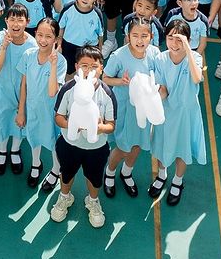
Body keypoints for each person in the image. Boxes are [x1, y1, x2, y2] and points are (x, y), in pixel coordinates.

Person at [50, 44, 117, 228]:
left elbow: (111, 125)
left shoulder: (107, 94)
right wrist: (72, 125)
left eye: (94, 66)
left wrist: (98, 128)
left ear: (101, 69)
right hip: (69, 144)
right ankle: (65, 197)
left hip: (96, 148)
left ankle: (93, 201)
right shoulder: (69, 89)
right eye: (84, 65)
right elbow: (58, 117)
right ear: (77, 68)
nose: (89, 70)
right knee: (66, 172)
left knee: (94, 178)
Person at [102, 17, 162, 198]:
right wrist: (121, 81)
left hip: (143, 111)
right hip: (125, 109)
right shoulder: (119, 56)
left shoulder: (154, 54)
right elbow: (105, 78)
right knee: (122, 147)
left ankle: (126, 172)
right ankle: (110, 172)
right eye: (135, 35)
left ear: (151, 36)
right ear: (128, 36)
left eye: (144, 36)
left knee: (137, 145)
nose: (140, 40)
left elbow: (158, 78)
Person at [150, 19, 205, 205]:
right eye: (170, 38)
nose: (174, 43)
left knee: (183, 149)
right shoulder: (160, 59)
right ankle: (162, 175)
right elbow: (163, 89)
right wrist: (153, 93)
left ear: (188, 41)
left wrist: (188, 50)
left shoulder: (195, 58)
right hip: (166, 112)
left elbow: (197, 78)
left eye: (179, 39)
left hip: (186, 114)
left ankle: (177, 181)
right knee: (161, 145)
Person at [17, 16, 66, 189]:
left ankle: (55, 169)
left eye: (49, 36)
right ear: (35, 34)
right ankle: (36, 164)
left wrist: (53, 65)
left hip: (50, 112)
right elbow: (24, 84)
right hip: (32, 109)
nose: (43, 40)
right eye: (40, 35)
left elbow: (53, 91)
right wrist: (21, 110)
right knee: (33, 137)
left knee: (53, 142)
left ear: (56, 39)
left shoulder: (60, 62)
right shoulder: (28, 55)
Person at [0, 5, 37, 174]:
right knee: (3, 121)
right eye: (12, 20)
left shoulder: (32, 44)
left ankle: (15, 150)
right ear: (6, 21)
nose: (16, 24)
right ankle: (2, 150)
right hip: (3, 91)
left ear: (27, 22)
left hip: (23, 92)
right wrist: (4, 47)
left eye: (20, 20)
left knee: (20, 121)